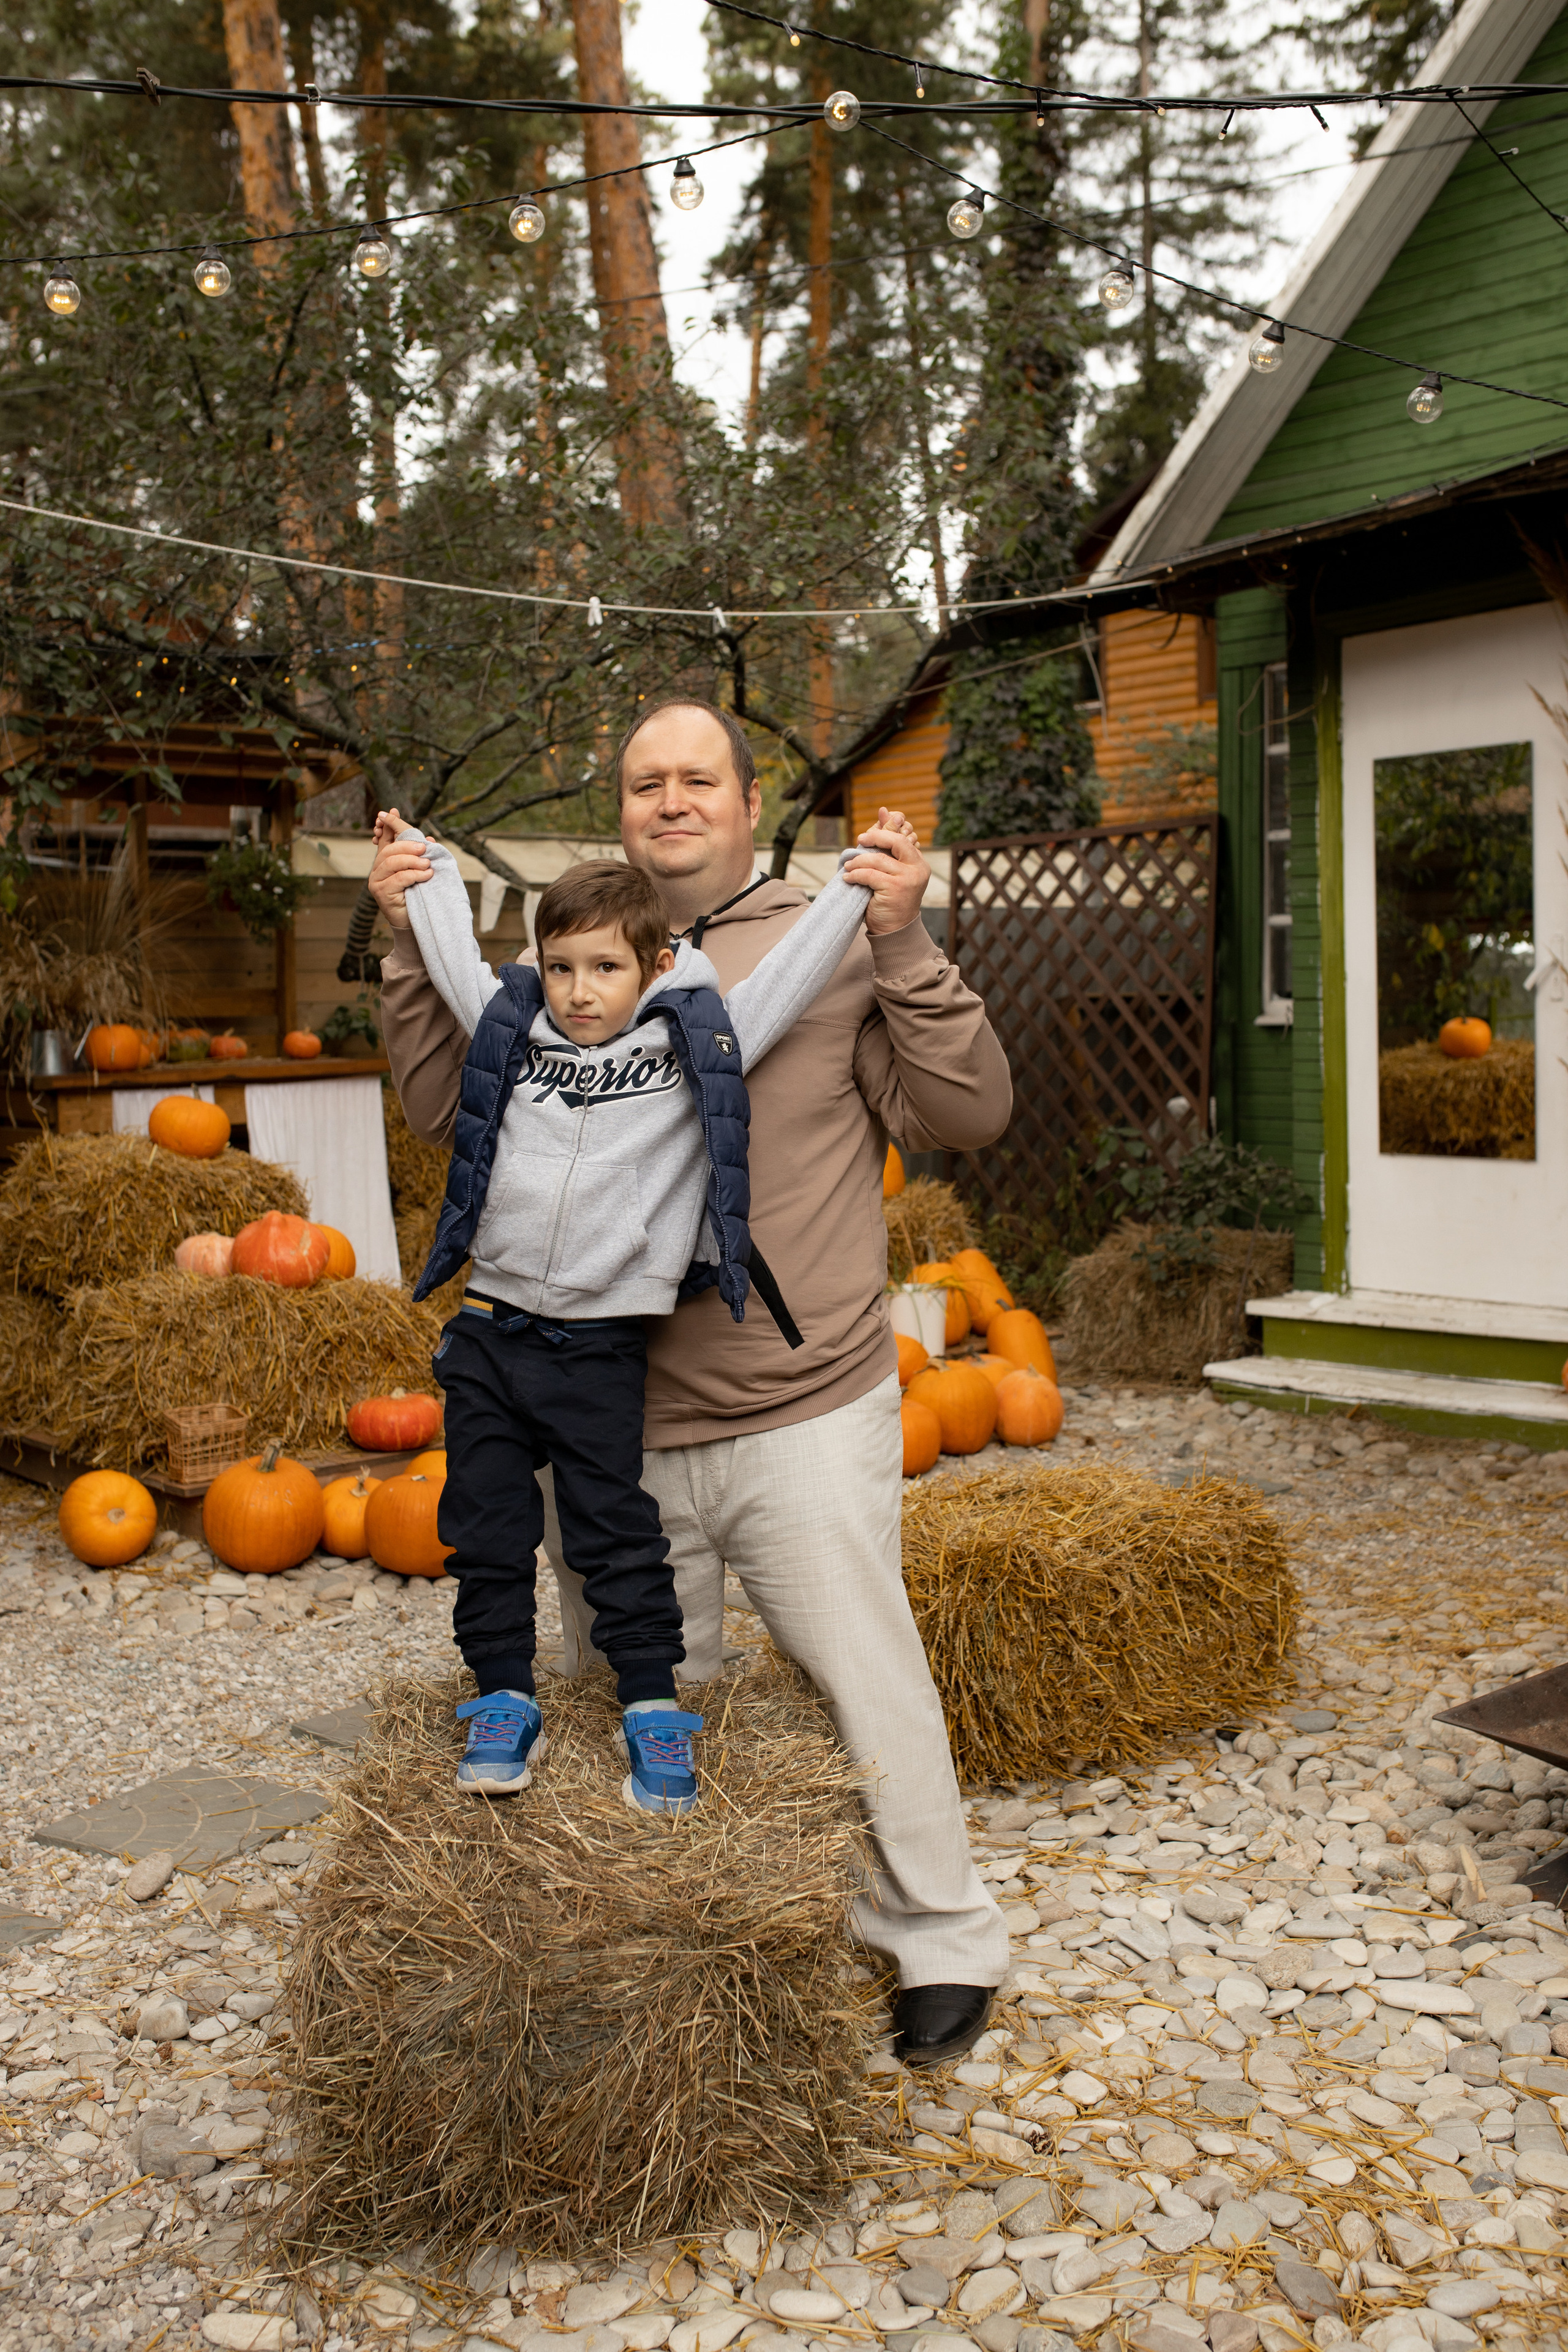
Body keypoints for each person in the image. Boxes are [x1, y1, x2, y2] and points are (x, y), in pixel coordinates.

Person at [370, 695, 1015, 2066]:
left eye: (697, 779)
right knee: (640, 1703)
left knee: (863, 1678)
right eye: (642, 781)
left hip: (803, 1401)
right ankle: (692, 1980)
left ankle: (938, 1939)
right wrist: (396, 944)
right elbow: (445, 1111)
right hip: (609, 1422)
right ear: (620, 811)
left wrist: (900, 938)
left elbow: (967, 1114)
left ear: (745, 799)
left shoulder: (823, 940)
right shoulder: (571, 963)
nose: (670, 801)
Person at [372, 812, 873, 1815]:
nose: (578, 991)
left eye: (603, 969)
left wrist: (855, 888)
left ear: (655, 963)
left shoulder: (693, 1042)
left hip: (598, 1347)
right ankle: (502, 1699)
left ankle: (653, 1711)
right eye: (560, 968)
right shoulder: (517, 1034)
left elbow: (779, 984)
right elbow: (461, 965)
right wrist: (419, 861)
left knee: (614, 1534)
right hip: (490, 1330)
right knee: (486, 1531)